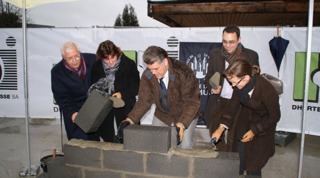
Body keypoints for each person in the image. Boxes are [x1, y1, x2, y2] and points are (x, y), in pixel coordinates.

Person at [118, 45, 200, 149]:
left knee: (184, 146)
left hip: (185, 114)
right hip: (163, 114)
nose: (153, 73)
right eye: (150, 69)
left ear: (165, 62)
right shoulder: (148, 74)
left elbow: (192, 102)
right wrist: (130, 120)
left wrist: (182, 124)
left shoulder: (183, 72)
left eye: (156, 69)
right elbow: (144, 101)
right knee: (155, 143)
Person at [211, 59, 280, 177]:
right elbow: (232, 107)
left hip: (263, 124)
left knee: (254, 162)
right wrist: (220, 128)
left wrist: (254, 130)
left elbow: (274, 115)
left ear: (246, 78)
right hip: (246, 118)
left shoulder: (267, 89)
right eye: (230, 82)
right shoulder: (239, 86)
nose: (233, 86)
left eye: (235, 83)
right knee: (240, 152)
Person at [204, 25, 260, 151]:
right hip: (218, 101)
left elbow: (254, 82)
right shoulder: (215, 54)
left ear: (239, 39)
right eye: (224, 41)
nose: (227, 45)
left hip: (239, 103)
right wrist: (212, 87)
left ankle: (231, 162)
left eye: (231, 42)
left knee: (234, 138)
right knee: (216, 134)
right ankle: (223, 158)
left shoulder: (251, 56)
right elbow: (208, 77)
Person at [89, 40, 140, 142]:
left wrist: (122, 94)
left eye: (113, 58)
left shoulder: (129, 64)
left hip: (125, 105)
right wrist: (103, 94)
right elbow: (94, 85)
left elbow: (137, 87)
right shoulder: (96, 66)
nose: (111, 62)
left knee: (129, 137)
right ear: (101, 58)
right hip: (104, 106)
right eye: (106, 60)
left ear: (117, 53)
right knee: (108, 136)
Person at [51, 41, 99, 141]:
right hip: (75, 110)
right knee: (79, 145)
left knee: (95, 142)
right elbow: (61, 96)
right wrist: (72, 112)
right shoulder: (57, 72)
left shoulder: (92, 59)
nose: (74, 60)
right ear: (63, 57)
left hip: (93, 107)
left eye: (76, 56)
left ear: (79, 52)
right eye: (70, 58)